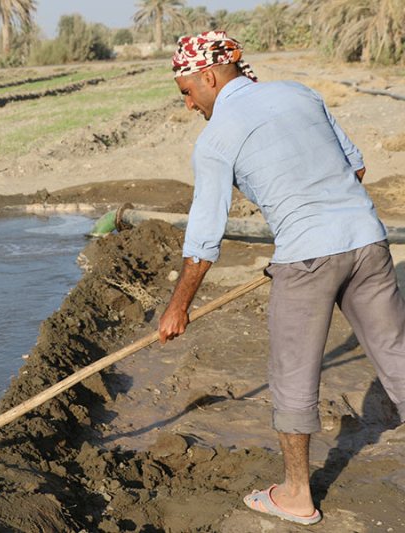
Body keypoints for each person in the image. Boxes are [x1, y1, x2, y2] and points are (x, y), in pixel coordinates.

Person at [157, 31, 405, 526]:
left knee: (293, 376)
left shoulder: (215, 139)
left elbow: (204, 238)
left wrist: (178, 306)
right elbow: (355, 167)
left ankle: (296, 495)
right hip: (367, 240)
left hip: (306, 261)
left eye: (187, 92)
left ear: (208, 76)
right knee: (398, 355)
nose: (188, 105)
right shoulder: (298, 92)